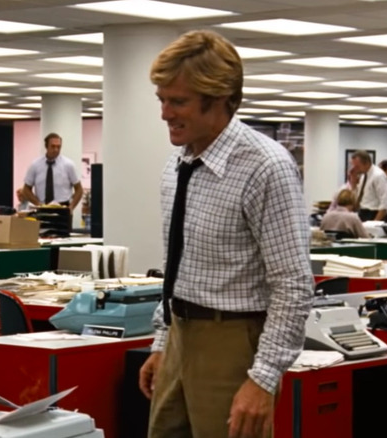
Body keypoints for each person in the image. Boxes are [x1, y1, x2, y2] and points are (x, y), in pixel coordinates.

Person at [138, 29, 313, 438]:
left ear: (217, 100)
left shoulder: (265, 166)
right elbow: (176, 265)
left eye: (177, 101)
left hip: (233, 342)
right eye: (162, 100)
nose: (165, 113)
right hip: (180, 332)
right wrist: (162, 342)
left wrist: (263, 378)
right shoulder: (177, 166)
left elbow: (293, 283)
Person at [22, 133, 83, 212]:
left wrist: (71, 207)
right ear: (46, 146)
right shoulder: (35, 165)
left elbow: (79, 189)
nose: (56, 149)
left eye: (58, 147)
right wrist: (37, 204)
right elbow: (26, 189)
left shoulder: (68, 165)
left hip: (62, 208)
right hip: (42, 207)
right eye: (53, 146)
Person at [349, 150, 387, 221]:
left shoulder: (378, 175)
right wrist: (353, 181)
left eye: (357, 166)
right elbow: (357, 197)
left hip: (373, 213)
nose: (355, 169)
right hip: (362, 212)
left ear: (366, 163)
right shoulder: (363, 176)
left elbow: (385, 203)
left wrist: (374, 223)